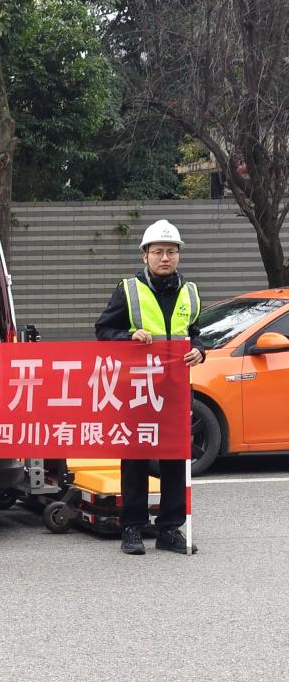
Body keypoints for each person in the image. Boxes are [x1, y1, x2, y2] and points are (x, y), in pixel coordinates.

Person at [94, 220, 205, 556]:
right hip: (137, 388)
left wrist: (200, 349)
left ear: (179, 255)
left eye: (171, 251)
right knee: (135, 458)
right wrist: (129, 336)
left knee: (174, 458)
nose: (165, 257)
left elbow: (195, 333)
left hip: (175, 389)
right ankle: (132, 527)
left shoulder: (190, 292)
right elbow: (103, 331)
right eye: (158, 251)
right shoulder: (128, 290)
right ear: (145, 255)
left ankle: (169, 529)